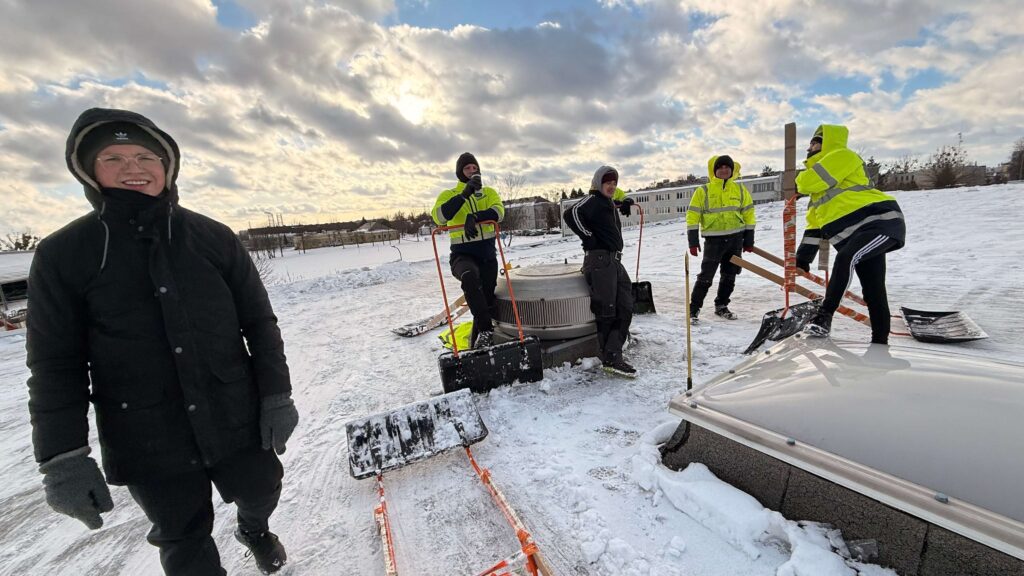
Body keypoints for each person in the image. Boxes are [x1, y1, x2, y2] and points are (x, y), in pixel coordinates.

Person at [27, 108, 298, 575]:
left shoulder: (213, 237)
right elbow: (55, 365)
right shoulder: (63, 255)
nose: (133, 168)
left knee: (262, 490)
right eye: (114, 158)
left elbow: (259, 323)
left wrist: (277, 395)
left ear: (167, 166)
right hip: (145, 433)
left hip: (234, 412)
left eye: (145, 157)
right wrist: (62, 458)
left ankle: (254, 529)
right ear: (89, 170)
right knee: (181, 537)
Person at [795, 124, 906, 344]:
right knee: (873, 290)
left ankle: (824, 316)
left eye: (815, 143)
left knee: (846, 257)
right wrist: (803, 259)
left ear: (827, 143)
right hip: (858, 234)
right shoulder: (819, 196)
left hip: (879, 222)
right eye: (810, 144)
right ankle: (880, 343)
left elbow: (806, 182)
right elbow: (815, 227)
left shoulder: (842, 155)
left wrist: (797, 182)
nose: (810, 147)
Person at [563, 166, 637, 377]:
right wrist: (588, 237)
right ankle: (611, 357)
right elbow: (571, 213)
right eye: (608, 183)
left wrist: (624, 201)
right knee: (607, 310)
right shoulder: (593, 199)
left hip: (614, 261)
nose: (612, 187)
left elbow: (615, 197)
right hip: (599, 260)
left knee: (625, 306)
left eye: (614, 183)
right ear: (598, 183)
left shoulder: (606, 202)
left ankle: (614, 353)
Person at [431, 153, 506, 349]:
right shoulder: (448, 195)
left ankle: (479, 346)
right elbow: (439, 217)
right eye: (467, 168)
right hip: (462, 255)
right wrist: (464, 195)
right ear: (460, 172)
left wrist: (475, 217)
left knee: (485, 301)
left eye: (475, 168)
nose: (472, 171)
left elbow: (499, 212)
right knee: (469, 277)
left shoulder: (488, 193)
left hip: (487, 256)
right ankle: (486, 331)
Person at [686, 155, 756, 322]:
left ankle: (721, 306)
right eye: (720, 167)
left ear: (732, 170)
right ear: (714, 170)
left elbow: (749, 214)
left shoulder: (740, 189)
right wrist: (693, 241)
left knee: (729, 276)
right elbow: (692, 216)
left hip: (735, 240)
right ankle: (693, 310)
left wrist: (749, 239)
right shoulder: (703, 191)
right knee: (705, 277)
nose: (724, 170)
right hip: (714, 241)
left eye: (727, 167)